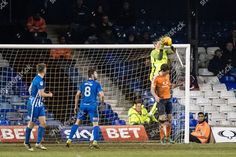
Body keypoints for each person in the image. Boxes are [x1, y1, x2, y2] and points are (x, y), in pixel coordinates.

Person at [66, 69, 104, 149]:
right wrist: (102, 103)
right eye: (96, 73)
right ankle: (95, 142)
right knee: (95, 124)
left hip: (83, 106)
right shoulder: (97, 84)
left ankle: (69, 139)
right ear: (92, 75)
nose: (97, 75)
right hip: (92, 106)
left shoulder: (83, 83)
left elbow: (77, 95)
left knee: (77, 122)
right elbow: (102, 95)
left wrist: (75, 106)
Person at [24, 63, 53, 151]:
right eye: (45, 68)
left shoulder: (36, 78)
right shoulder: (39, 80)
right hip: (34, 105)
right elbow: (41, 94)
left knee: (43, 123)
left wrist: (34, 95)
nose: (46, 70)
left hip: (39, 104)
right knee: (31, 123)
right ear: (43, 70)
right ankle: (26, 142)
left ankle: (38, 143)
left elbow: (30, 89)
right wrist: (49, 95)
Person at [151, 64, 177, 144]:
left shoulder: (167, 76)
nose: (168, 72)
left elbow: (168, 85)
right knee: (162, 119)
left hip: (168, 99)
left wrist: (174, 85)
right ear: (164, 71)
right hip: (161, 100)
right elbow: (152, 89)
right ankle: (162, 138)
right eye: (167, 71)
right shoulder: (156, 78)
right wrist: (155, 96)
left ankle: (168, 138)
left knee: (169, 119)